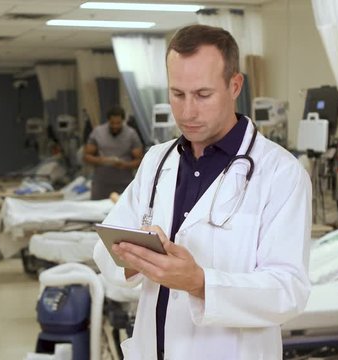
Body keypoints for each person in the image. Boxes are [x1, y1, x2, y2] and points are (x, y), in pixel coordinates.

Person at [93, 25, 312, 359]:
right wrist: (136, 258)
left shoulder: (280, 173)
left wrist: (198, 281)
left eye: (203, 95)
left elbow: (288, 290)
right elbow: (105, 245)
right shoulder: (156, 161)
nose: (187, 111)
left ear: (234, 85)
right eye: (177, 94)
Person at [83, 106, 144, 200]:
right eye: (112, 123)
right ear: (108, 121)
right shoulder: (98, 132)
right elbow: (86, 156)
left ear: (123, 121)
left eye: (118, 123)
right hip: (101, 184)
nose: (115, 126)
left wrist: (125, 165)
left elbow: (140, 160)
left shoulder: (131, 134)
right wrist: (100, 160)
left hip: (124, 184)